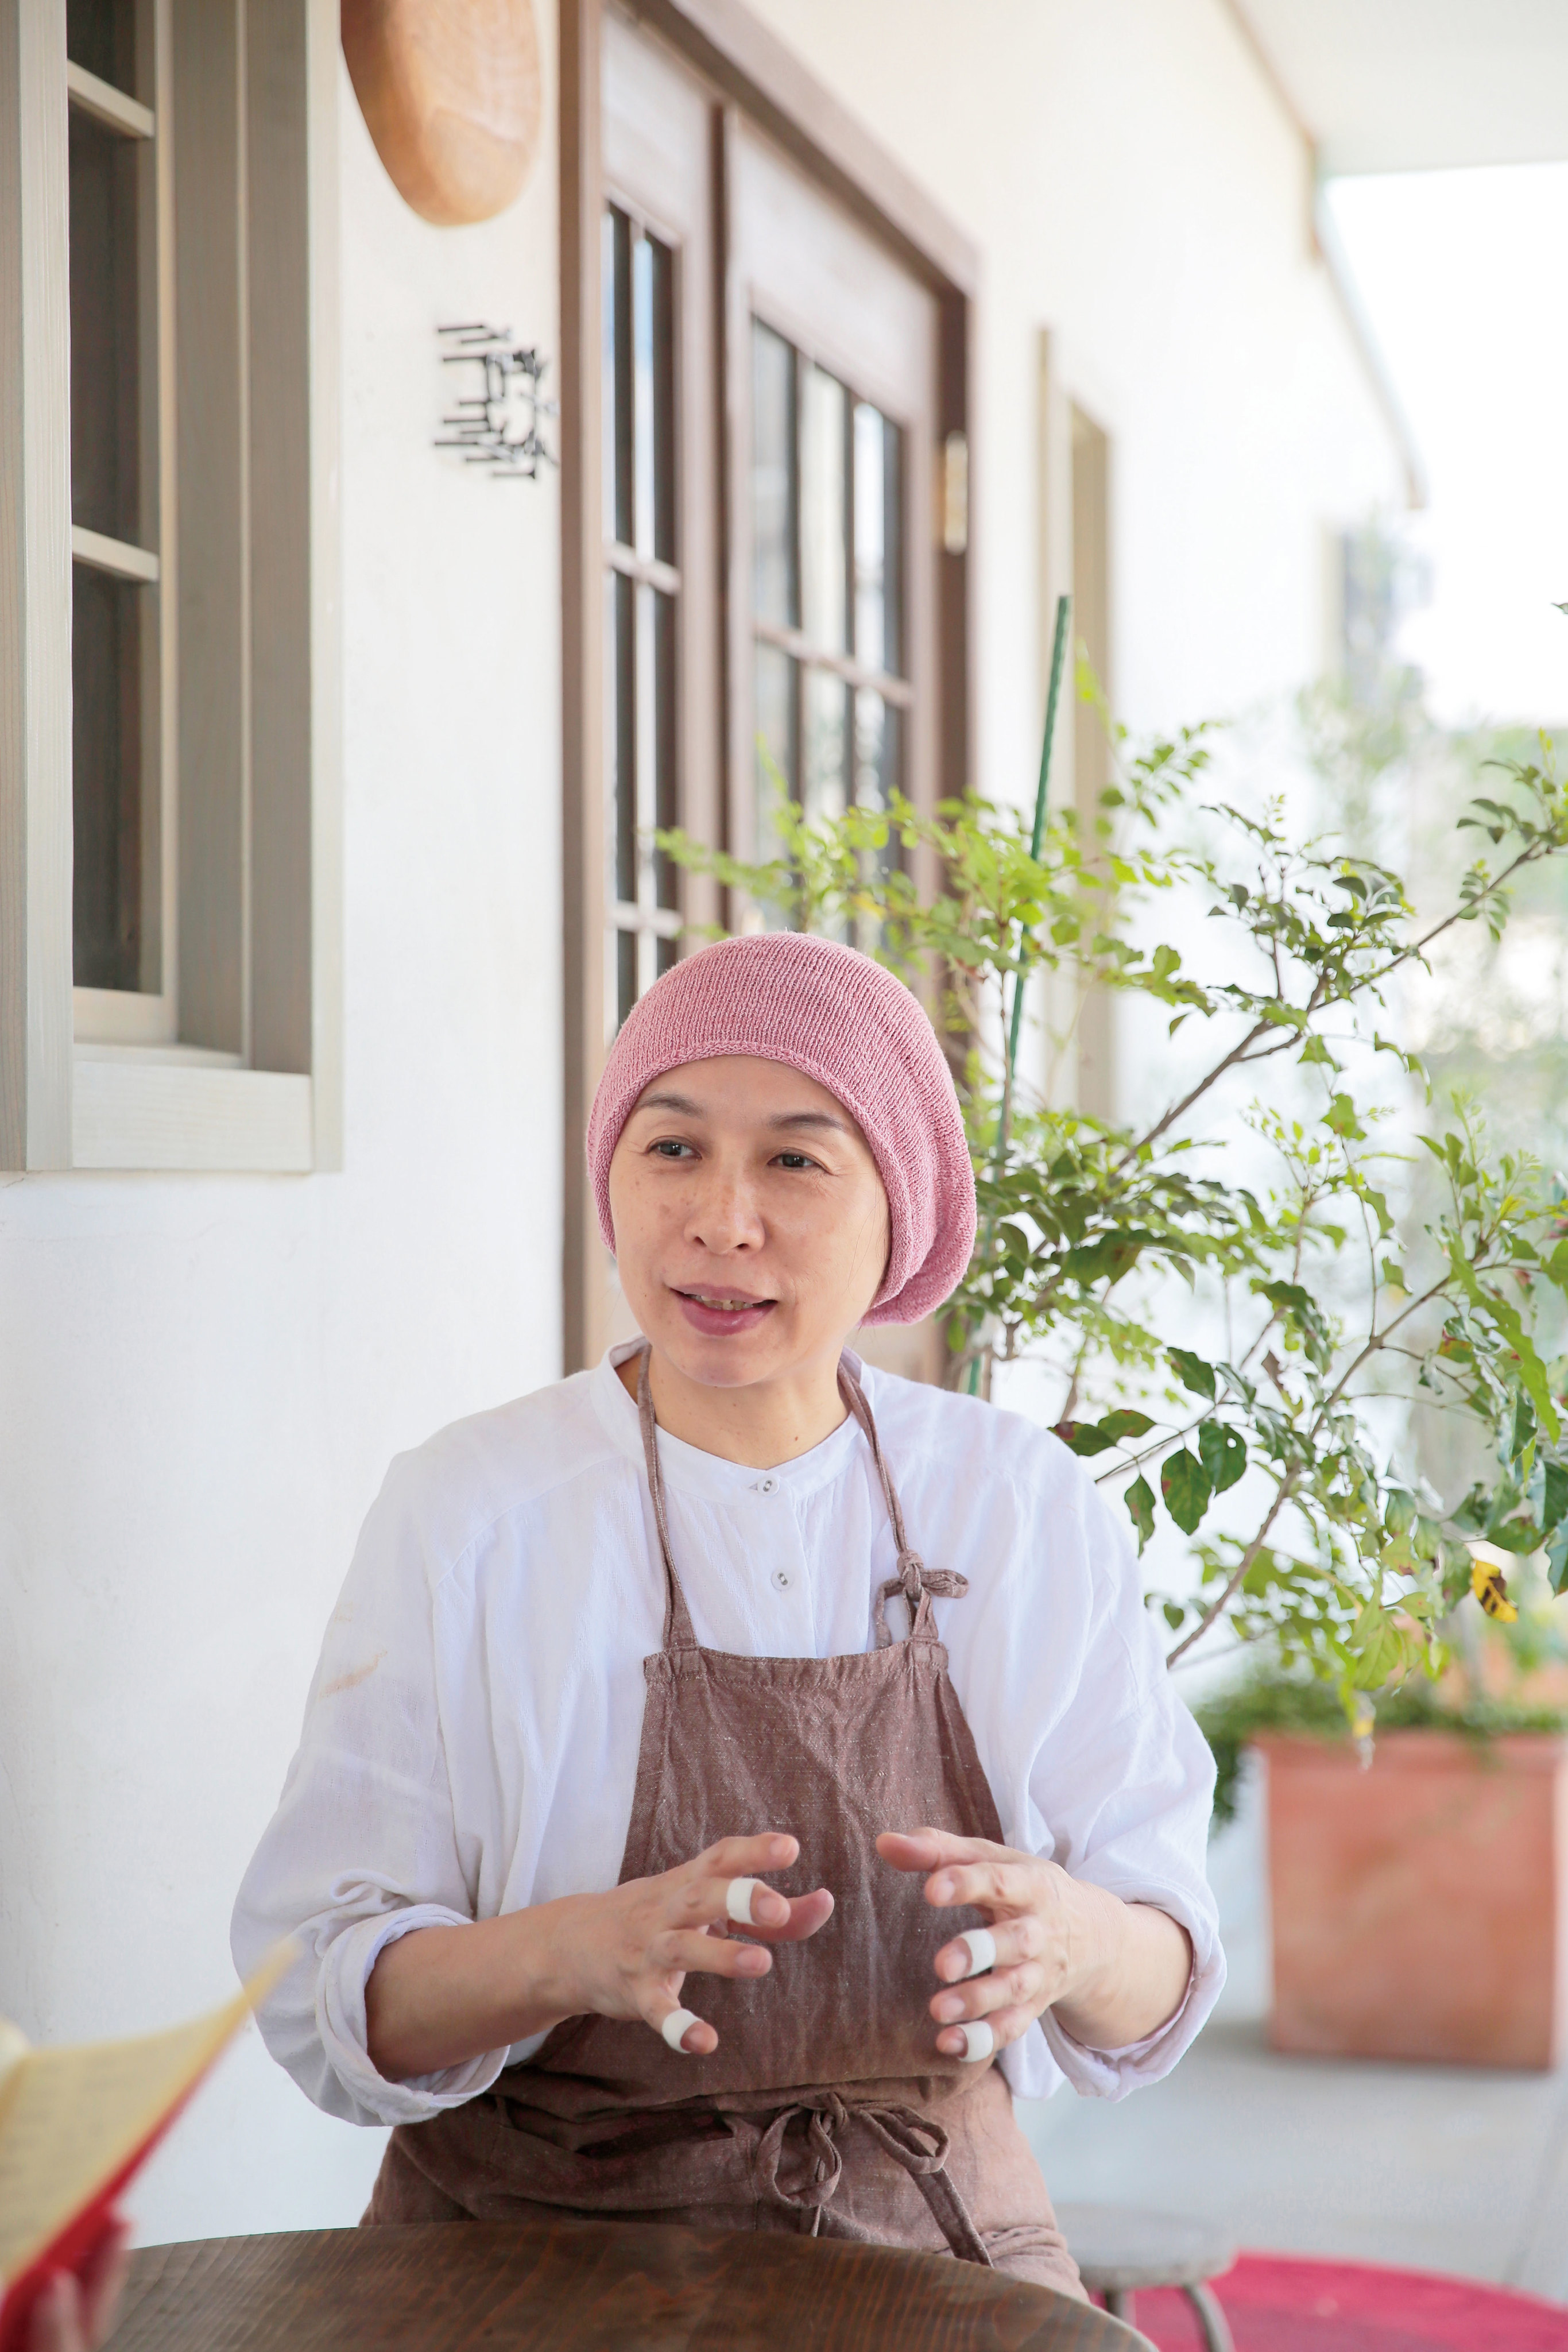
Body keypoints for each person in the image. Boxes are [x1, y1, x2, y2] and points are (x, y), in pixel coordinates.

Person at [233, 933, 1224, 2292]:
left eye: (795, 1160)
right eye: (674, 1147)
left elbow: (1158, 1972)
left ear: (901, 1210)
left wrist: (1079, 1937)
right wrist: (567, 1949)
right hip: (524, 2237)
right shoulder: (471, 1508)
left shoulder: (1019, 1505)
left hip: (932, 2235)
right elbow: (319, 1989)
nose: (720, 1217)